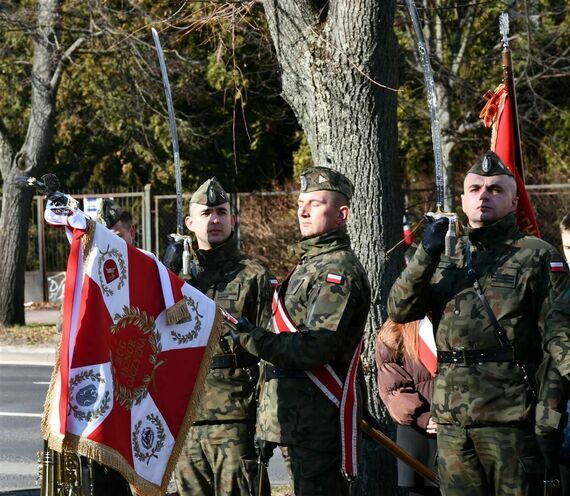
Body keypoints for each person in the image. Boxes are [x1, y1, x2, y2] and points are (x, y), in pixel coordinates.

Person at [387, 150, 569, 495]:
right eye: (475, 189)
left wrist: (549, 421)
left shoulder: (536, 255)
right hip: (454, 424)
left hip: (512, 421)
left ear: (514, 202)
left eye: (496, 189)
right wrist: (425, 253)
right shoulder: (445, 256)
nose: (484, 195)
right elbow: (400, 310)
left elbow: (557, 343)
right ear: (463, 200)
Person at [233, 166, 372, 495]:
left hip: (317, 424)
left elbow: (315, 347)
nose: (303, 210)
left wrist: (254, 339)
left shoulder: (338, 269)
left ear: (342, 214)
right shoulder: (308, 265)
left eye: (315, 203)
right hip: (291, 422)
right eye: (301, 202)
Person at [173, 177, 274, 496]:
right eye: (206, 213)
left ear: (233, 218)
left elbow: (270, 353)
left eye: (221, 212)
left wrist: (266, 421)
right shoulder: (175, 281)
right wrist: (166, 274)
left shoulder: (253, 276)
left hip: (236, 419)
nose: (214, 219)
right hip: (185, 421)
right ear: (190, 223)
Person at [375, 318, 440, 496]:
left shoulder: (458, 315)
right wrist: (421, 416)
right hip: (420, 433)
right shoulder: (395, 331)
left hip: (463, 430)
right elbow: (392, 388)